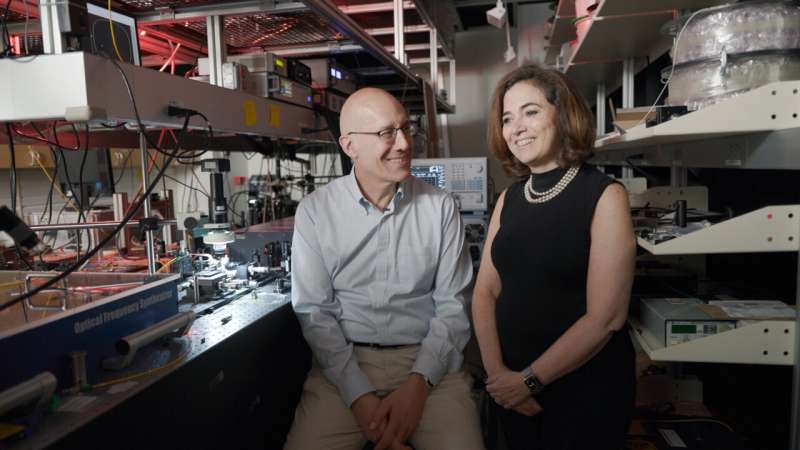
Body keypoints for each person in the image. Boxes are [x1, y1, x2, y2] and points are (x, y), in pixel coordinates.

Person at [284, 87, 484, 450]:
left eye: (406, 128)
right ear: (350, 146)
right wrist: (358, 395)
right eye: (386, 133)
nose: (404, 143)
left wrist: (419, 384)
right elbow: (315, 313)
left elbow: (453, 307)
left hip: (429, 362)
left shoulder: (440, 207)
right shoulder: (316, 211)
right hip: (344, 364)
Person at [472, 65, 636, 450]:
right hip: (510, 390)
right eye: (507, 119)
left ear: (562, 116)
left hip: (582, 391)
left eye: (530, 112)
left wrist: (527, 381)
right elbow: (484, 293)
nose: (517, 128)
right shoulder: (509, 199)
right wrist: (499, 376)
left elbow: (605, 319)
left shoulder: (605, 195)